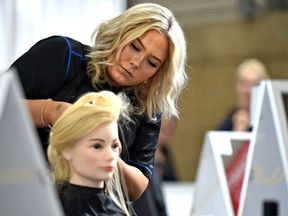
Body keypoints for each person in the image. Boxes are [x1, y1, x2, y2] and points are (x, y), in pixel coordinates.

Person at [9, 3, 188, 200]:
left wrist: (106, 149)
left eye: (151, 63)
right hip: (17, 187)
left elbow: (136, 188)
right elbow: (3, 103)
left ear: (158, 72)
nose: (136, 63)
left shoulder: (147, 107)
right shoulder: (64, 54)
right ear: (120, 33)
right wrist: (54, 111)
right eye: (135, 47)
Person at [48, 91, 135, 216]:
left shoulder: (116, 211)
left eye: (114, 146)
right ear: (67, 149)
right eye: (97, 146)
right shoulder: (53, 208)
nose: (111, 156)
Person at [217, 58, 269, 131]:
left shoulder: (273, 121)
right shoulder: (228, 123)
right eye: (243, 83)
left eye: (254, 85)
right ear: (236, 85)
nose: (248, 91)